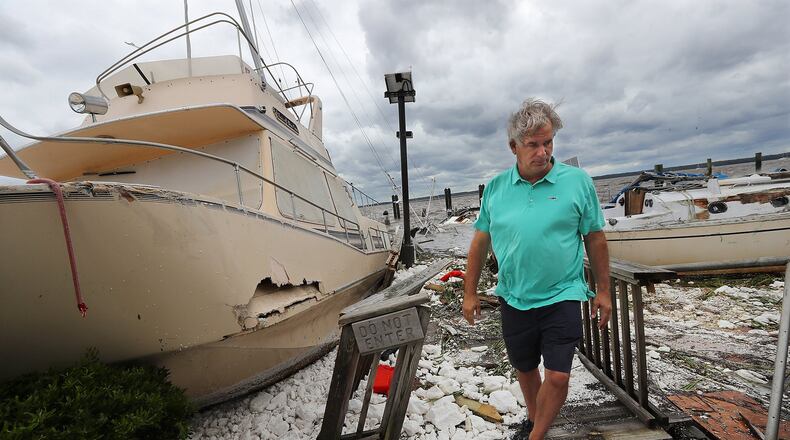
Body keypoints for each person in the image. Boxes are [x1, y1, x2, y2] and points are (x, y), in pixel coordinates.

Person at [462, 98, 611, 440]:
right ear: (513, 146)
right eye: (533, 144)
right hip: (514, 296)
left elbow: (596, 238)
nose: (542, 152)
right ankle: (535, 419)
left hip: (563, 293)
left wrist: (602, 290)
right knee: (526, 369)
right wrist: (469, 293)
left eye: (548, 143)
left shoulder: (576, 182)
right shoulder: (497, 188)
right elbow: (479, 244)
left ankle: (536, 435)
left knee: (558, 376)